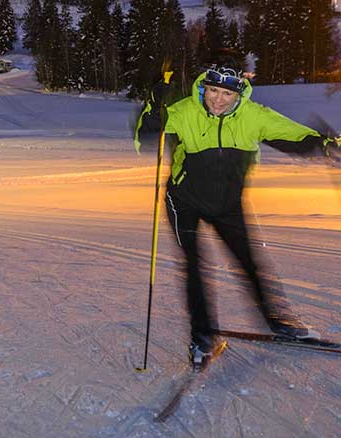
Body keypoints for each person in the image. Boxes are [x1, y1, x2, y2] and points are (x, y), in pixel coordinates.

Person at [135, 54, 340, 369]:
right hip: (184, 201)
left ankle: (277, 321)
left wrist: (324, 144)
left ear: (239, 93)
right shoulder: (185, 111)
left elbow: (293, 134)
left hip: (228, 205)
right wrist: (154, 104)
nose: (218, 100)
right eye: (213, 91)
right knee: (195, 268)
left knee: (250, 262)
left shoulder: (254, 116)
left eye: (227, 94)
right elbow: (145, 137)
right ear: (204, 88)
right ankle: (202, 337)